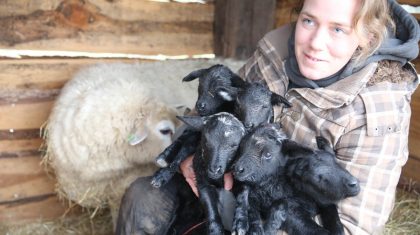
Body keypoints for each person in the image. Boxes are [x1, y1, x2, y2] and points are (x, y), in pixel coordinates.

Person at [116, 0, 420, 234]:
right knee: (144, 196)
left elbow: (356, 224)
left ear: (367, 36)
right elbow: (220, 110)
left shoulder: (376, 110)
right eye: (308, 20)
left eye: (338, 29)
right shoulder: (275, 51)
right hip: (226, 190)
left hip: (284, 222)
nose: (315, 42)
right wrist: (194, 157)